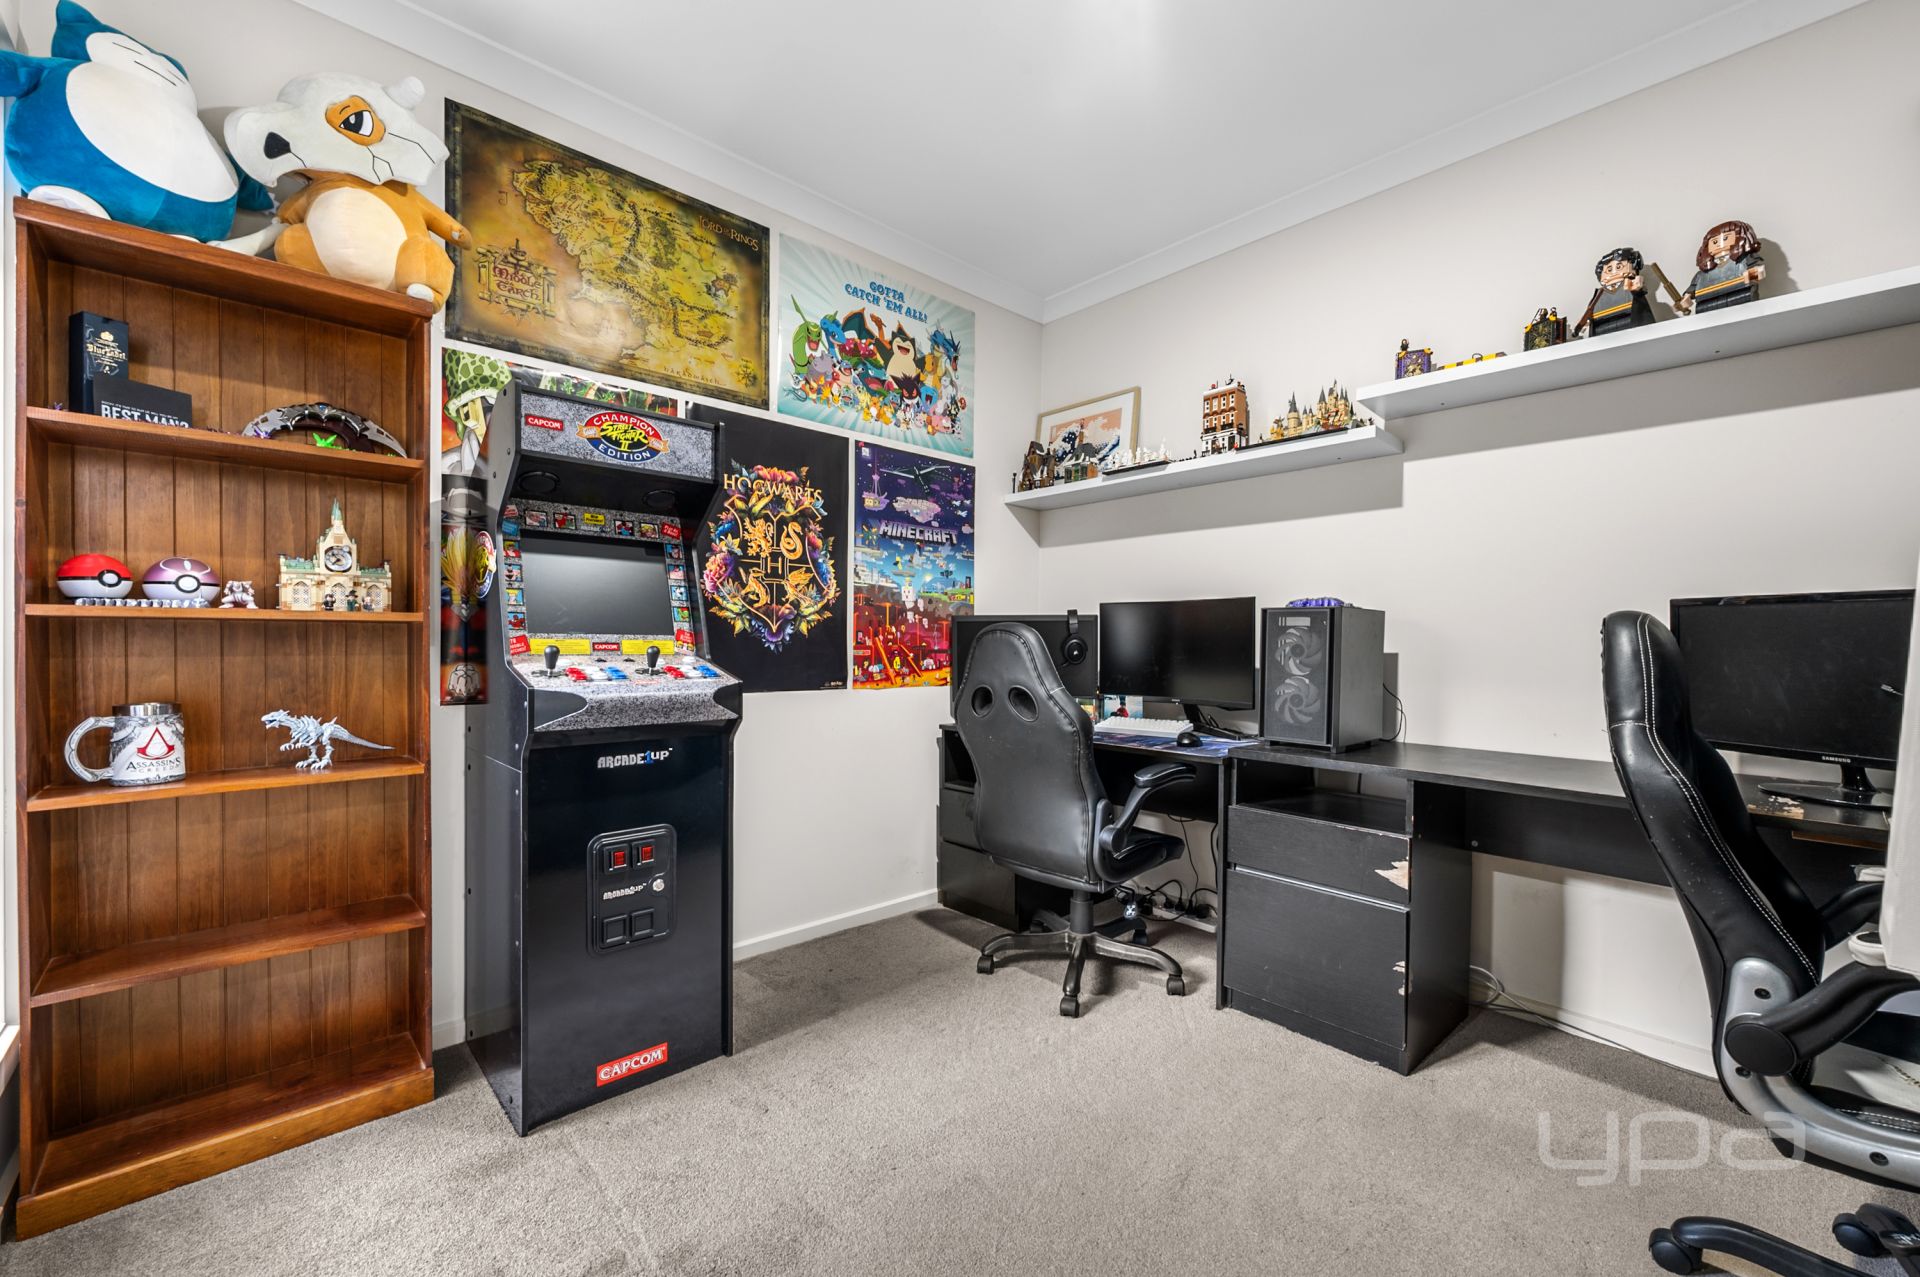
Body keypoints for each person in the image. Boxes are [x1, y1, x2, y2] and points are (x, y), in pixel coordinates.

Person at [1676, 220, 1765, 315]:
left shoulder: (1744, 260)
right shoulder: (1703, 272)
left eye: (1725, 238)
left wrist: (1751, 275)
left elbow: (1758, 270)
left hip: (1741, 296)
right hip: (1707, 305)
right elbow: (1692, 289)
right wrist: (1686, 300)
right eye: (1714, 242)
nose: (1719, 244)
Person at [1586, 247, 1656, 335]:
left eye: (1619, 267)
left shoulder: (1630, 284)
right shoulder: (1599, 294)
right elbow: (1590, 311)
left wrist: (1637, 288)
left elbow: (1639, 290)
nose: (1614, 273)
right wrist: (1587, 320)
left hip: (1632, 322)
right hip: (1601, 328)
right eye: (1609, 270)